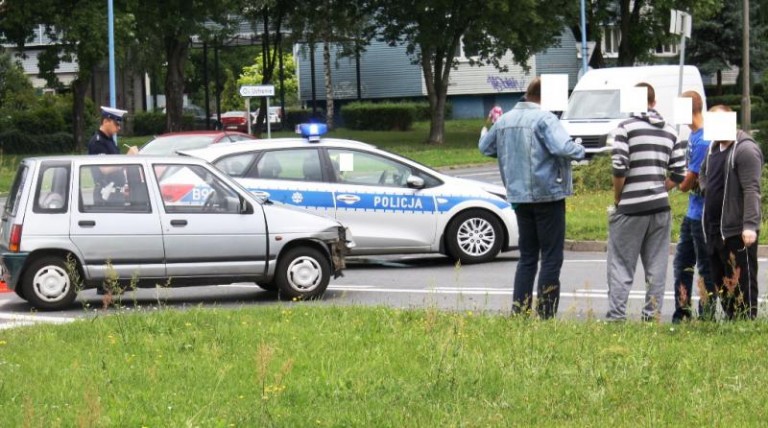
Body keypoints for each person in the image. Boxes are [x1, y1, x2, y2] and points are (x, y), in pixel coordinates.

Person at [479, 77, 585, 319]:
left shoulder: (504, 120)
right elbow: (563, 148)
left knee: (527, 257)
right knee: (551, 256)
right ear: (546, 97)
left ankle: (520, 310)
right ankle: (546, 313)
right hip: (548, 194)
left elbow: (485, 147)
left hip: (519, 196)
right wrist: (580, 149)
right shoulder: (545, 119)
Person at [606, 82, 686, 322]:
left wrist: (619, 198)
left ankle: (617, 318)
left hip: (630, 209)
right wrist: (661, 189)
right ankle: (651, 317)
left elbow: (619, 168)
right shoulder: (671, 131)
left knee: (621, 265)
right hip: (660, 208)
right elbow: (679, 174)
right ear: (653, 102)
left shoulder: (625, 128)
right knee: (656, 266)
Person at [699, 105, 763, 320]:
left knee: (742, 282)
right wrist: (705, 188)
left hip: (736, 230)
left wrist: (750, 226)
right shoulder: (713, 148)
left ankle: (746, 324)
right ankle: (730, 322)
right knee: (722, 282)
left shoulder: (745, 150)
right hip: (714, 229)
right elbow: (702, 172)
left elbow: (752, 189)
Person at [671, 90, 718, 323]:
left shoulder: (703, 140)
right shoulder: (693, 135)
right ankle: (682, 312)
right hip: (692, 213)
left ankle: (707, 315)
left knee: (705, 267)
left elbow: (689, 180)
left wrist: (678, 183)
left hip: (703, 216)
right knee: (682, 263)